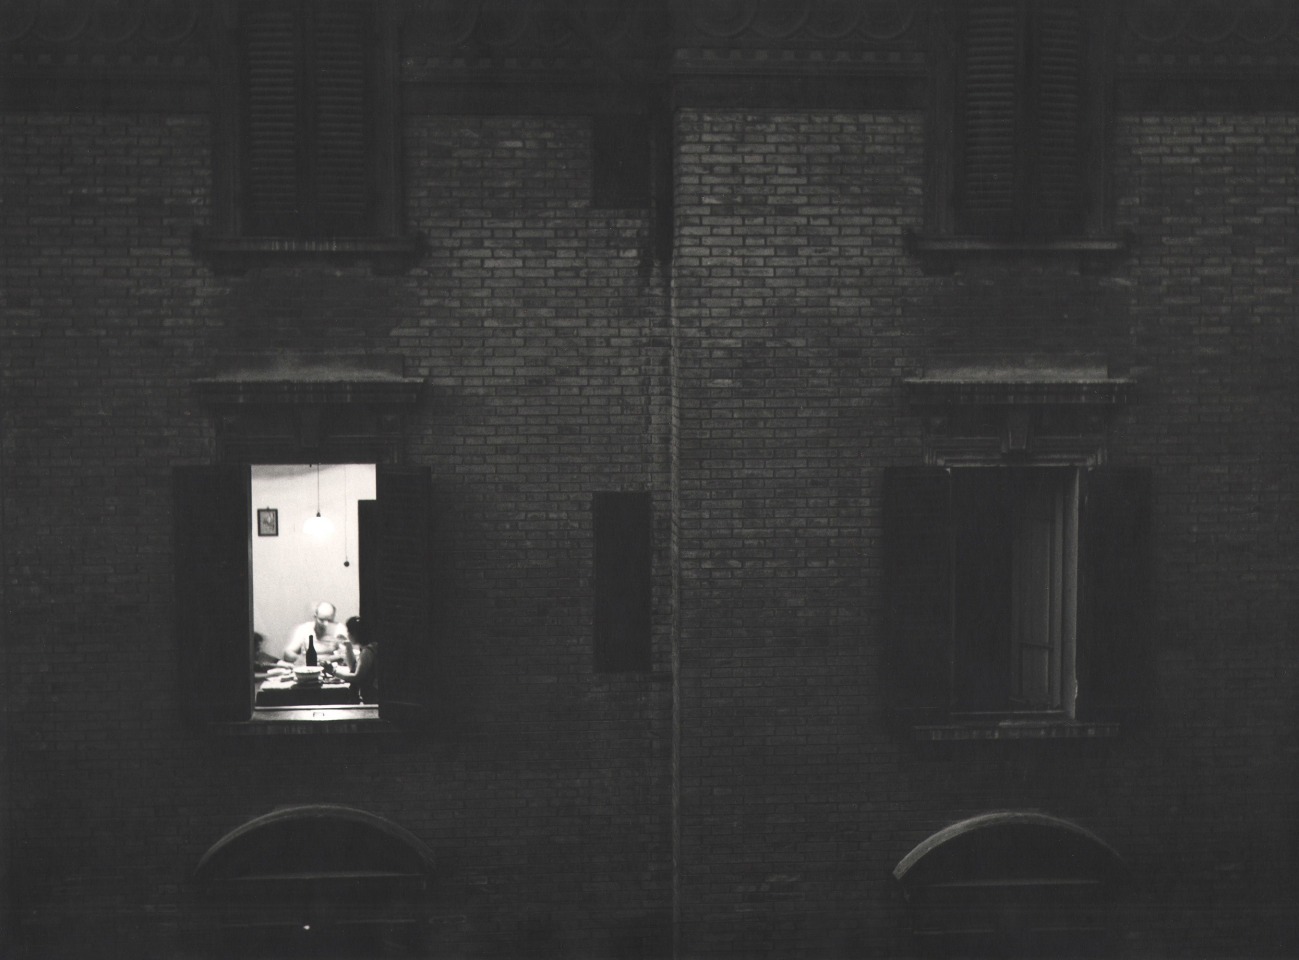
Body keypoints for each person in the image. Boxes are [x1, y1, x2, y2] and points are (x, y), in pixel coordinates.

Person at [325, 615, 377, 703]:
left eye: (348, 632)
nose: (347, 635)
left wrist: (333, 672)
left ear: (355, 634)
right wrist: (348, 647)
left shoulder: (367, 652)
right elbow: (353, 667)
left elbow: (357, 677)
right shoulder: (369, 647)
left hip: (371, 696)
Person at [282, 601, 349, 665]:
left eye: (330, 620)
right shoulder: (304, 629)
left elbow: (346, 655)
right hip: (309, 667)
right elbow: (287, 653)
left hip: (332, 670)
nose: (326, 624)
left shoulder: (339, 628)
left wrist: (321, 660)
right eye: (322, 620)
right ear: (315, 617)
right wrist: (302, 660)